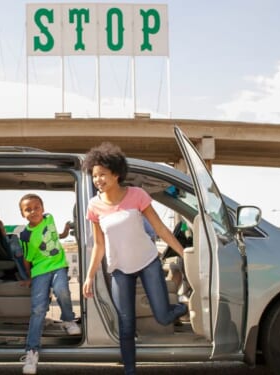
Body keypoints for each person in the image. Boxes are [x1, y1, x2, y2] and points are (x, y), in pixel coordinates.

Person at [81, 143, 187, 375]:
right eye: (95, 175)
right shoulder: (94, 206)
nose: (98, 179)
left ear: (116, 173)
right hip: (119, 269)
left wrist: (184, 254)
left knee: (162, 316)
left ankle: (183, 307)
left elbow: (160, 229)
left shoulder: (137, 195)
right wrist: (89, 276)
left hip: (148, 262)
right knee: (126, 325)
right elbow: (99, 245)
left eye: (102, 175)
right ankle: (130, 370)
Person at [17, 193, 80, 375]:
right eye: (28, 209)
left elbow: (56, 235)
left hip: (59, 265)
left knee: (62, 290)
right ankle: (31, 352)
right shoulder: (26, 235)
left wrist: (66, 232)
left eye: (37, 207)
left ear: (43, 209)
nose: (33, 211)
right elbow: (27, 260)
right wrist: (29, 277)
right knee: (38, 309)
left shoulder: (49, 218)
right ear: (23, 214)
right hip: (39, 271)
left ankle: (68, 320)